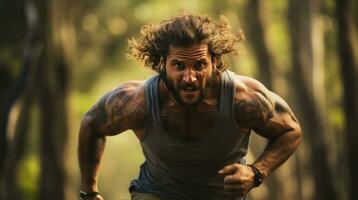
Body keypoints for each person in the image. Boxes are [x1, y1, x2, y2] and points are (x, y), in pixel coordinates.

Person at [78, 13, 302, 200]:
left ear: (214, 63)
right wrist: (90, 192)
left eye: (199, 65)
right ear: (162, 63)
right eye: (178, 65)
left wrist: (256, 172)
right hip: (156, 193)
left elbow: (290, 130)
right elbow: (92, 124)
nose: (190, 78)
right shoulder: (137, 102)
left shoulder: (243, 99)